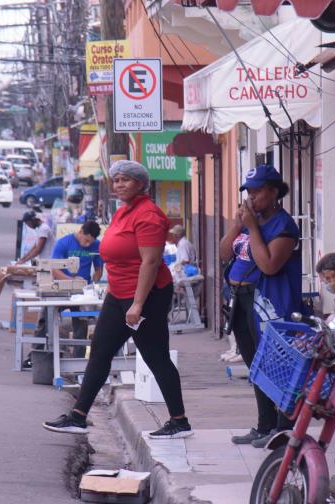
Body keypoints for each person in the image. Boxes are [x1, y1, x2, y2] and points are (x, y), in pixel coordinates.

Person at [43, 160, 191, 439]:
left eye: (126, 180)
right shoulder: (124, 212)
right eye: (116, 180)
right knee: (100, 351)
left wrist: (137, 304)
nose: (119, 184)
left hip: (146, 295)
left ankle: (179, 421)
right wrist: (113, 290)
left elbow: (150, 262)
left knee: (155, 356)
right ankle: (78, 416)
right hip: (118, 292)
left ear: (140, 184)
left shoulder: (148, 215)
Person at [220, 164, 303, 449]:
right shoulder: (248, 221)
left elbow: (269, 265)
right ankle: (264, 424)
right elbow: (222, 252)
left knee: (274, 364)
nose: (252, 197)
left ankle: (282, 427)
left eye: (257, 191)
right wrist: (237, 225)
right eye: (248, 192)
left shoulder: (284, 226)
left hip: (267, 303)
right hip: (240, 300)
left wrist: (253, 228)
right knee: (254, 363)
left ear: (275, 192)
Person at [51, 221, 105, 355]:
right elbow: (54, 269)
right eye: (86, 240)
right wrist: (72, 281)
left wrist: (94, 282)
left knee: (81, 328)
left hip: (83, 293)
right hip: (62, 289)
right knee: (47, 320)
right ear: (81, 232)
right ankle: (44, 354)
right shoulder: (63, 243)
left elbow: (98, 269)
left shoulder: (96, 246)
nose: (88, 245)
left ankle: (77, 362)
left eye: (90, 242)